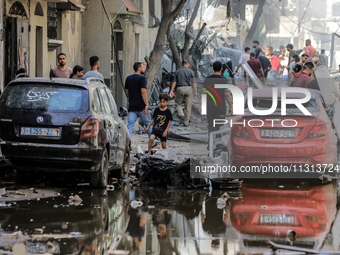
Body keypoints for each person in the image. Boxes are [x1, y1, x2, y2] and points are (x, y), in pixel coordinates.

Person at [202, 61, 233, 138]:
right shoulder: (224, 80)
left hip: (210, 105)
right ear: (221, 69)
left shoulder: (207, 79)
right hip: (220, 105)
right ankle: (218, 143)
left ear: (213, 68)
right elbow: (227, 94)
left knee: (211, 124)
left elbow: (204, 93)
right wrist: (231, 106)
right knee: (219, 124)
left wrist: (202, 106)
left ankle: (210, 142)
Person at [125, 62, 152, 137]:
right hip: (141, 107)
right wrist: (146, 104)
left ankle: (127, 143)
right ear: (139, 68)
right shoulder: (142, 78)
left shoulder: (128, 78)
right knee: (148, 124)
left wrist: (131, 98)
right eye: (143, 67)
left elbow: (126, 91)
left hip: (132, 106)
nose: (144, 69)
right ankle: (152, 143)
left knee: (130, 125)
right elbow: (143, 92)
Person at [169, 59, 197, 127]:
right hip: (188, 89)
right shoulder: (191, 72)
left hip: (180, 88)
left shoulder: (177, 71)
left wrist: (171, 91)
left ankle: (181, 114)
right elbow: (194, 82)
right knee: (188, 106)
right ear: (188, 64)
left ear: (182, 64)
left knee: (178, 104)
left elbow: (174, 82)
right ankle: (186, 122)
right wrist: (195, 91)